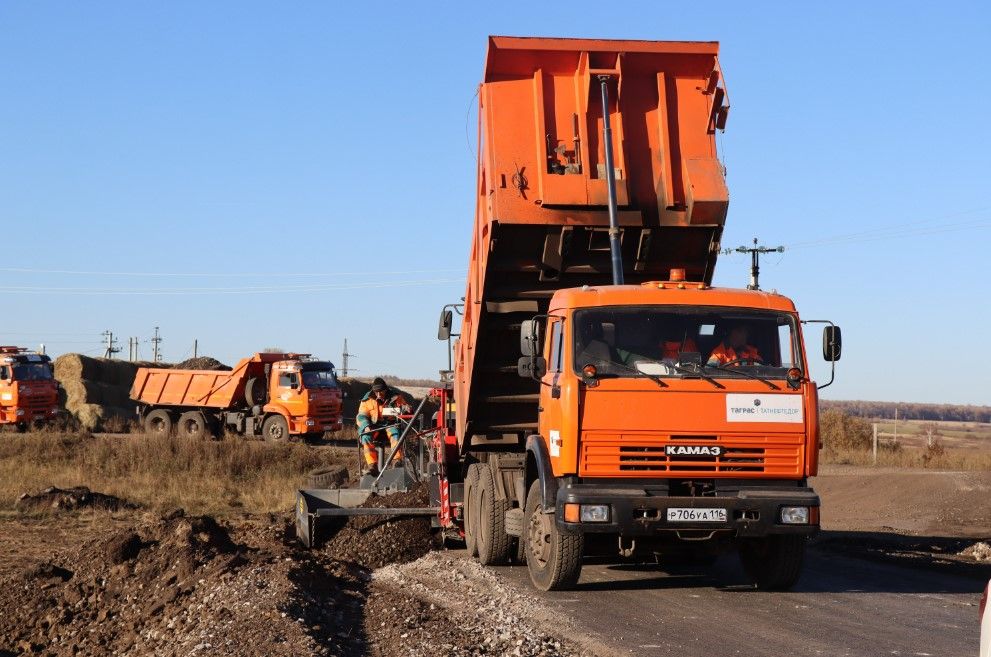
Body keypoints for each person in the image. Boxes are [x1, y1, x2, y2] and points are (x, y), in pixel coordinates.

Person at [356, 377, 404, 474]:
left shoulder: (395, 397)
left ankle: (397, 461)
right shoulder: (366, 399)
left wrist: (405, 409)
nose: (378, 395)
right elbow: (361, 416)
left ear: (385, 390)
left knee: (395, 434)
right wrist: (366, 426)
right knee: (365, 437)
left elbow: (406, 410)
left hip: (390, 424)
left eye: (381, 392)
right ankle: (372, 465)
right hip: (374, 426)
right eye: (376, 392)